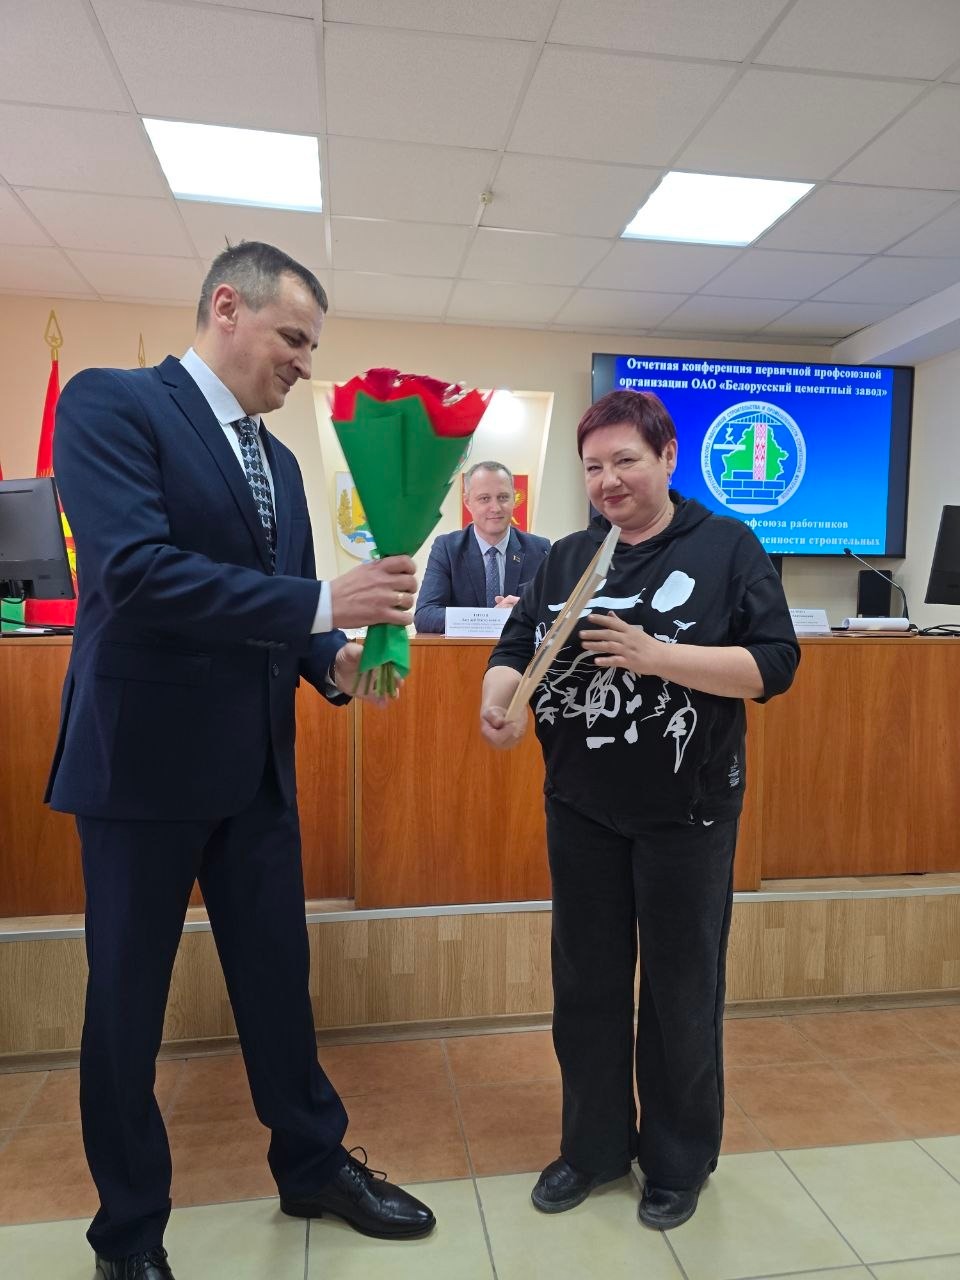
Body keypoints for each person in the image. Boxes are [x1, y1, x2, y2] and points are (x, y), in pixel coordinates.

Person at [46, 242, 435, 1280]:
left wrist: (337, 661)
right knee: (126, 1007)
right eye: (293, 338)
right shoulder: (113, 404)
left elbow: (290, 620)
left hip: (255, 770)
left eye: (312, 345)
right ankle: (128, 1231)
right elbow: (134, 574)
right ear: (228, 307)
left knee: (276, 983)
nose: (305, 362)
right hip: (139, 770)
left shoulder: (283, 465)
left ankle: (312, 1165)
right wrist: (323, 602)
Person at [479, 390, 799, 1231]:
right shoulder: (569, 557)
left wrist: (659, 657)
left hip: (687, 812)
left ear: (668, 457)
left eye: (626, 460)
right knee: (585, 985)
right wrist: (500, 701)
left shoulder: (726, 546)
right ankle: (591, 1149)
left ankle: (677, 1160)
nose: (608, 480)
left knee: (679, 990)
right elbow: (517, 646)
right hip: (579, 805)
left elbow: (774, 664)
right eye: (593, 467)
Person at [413, 460, 549, 632]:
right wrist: (492, 619)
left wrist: (523, 611)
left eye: (503, 497)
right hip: (464, 650)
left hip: (520, 649)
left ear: (514, 498)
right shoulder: (447, 548)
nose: (496, 508)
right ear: (467, 502)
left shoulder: (540, 549)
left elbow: (555, 612)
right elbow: (425, 616)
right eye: (485, 499)